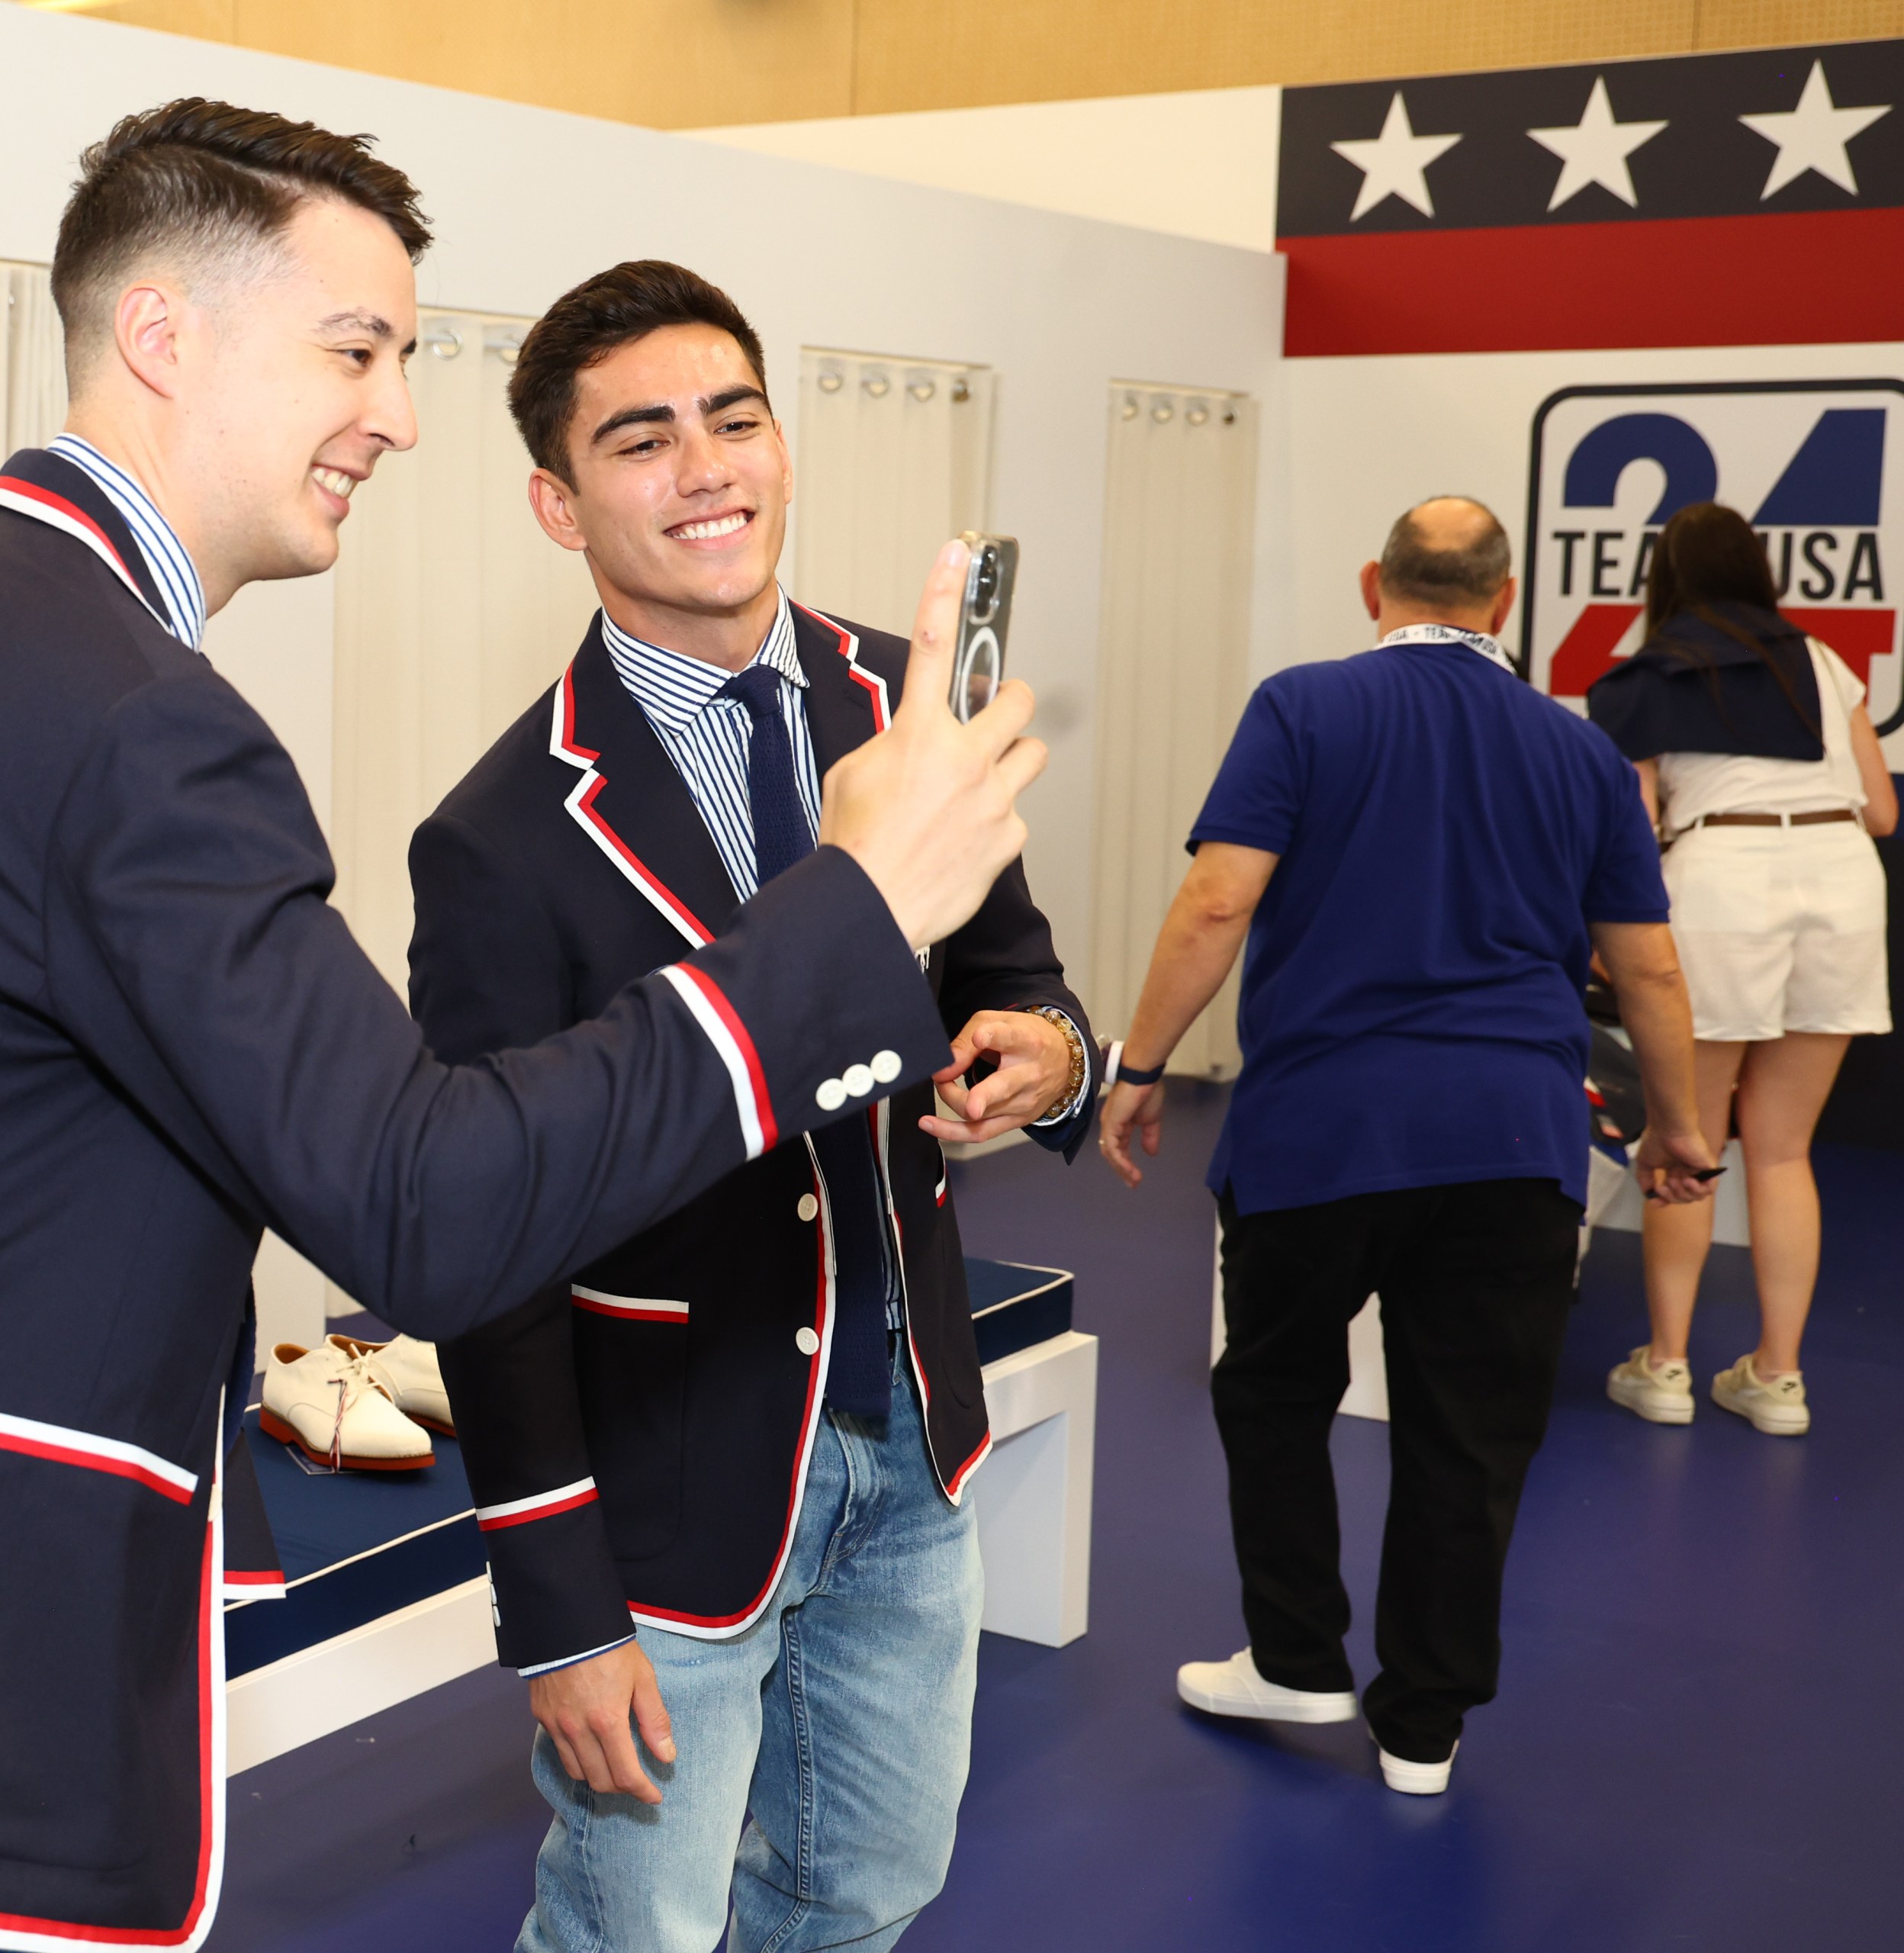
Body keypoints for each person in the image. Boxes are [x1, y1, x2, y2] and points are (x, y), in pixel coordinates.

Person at [0, 102, 1046, 1953]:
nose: (399, 412)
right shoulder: (128, 710)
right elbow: (424, 1204)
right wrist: (844, 913)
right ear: (164, 339)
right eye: (355, 349)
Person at [407, 260, 1091, 1953]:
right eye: (642, 440)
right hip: (669, 1481)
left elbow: (1022, 966)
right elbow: (488, 1251)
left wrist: (1052, 1052)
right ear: (559, 503)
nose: (706, 465)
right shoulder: (498, 836)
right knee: (632, 1927)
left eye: (734, 416)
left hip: (910, 1438)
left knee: (865, 1889)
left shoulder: (898, 708)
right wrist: (557, 1612)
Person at [1096, 497, 1716, 1797]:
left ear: (1374, 584)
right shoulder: (1581, 753)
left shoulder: (1303, 707)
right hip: (1514, 1145)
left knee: (1273, 1391)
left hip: (1321, 1132)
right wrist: (1680, 1130)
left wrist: (1142, 1065)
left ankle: (1298, 1657)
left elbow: (1219, 896)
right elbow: (1649, 970)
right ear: (1502, 603)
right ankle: (1423, 1727)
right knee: (1470, 1435)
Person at [1590, 501, 1898, 1437]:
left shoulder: (1643, 676)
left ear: (1665, 579)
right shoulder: (1821, 658)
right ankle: (1778, 1378)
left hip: (1721, 885)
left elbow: (1632, 830)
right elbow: (1883, 811)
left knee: (1691, 1136)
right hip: (1844, 885)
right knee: (1783, 1146)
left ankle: (1669, 1367)